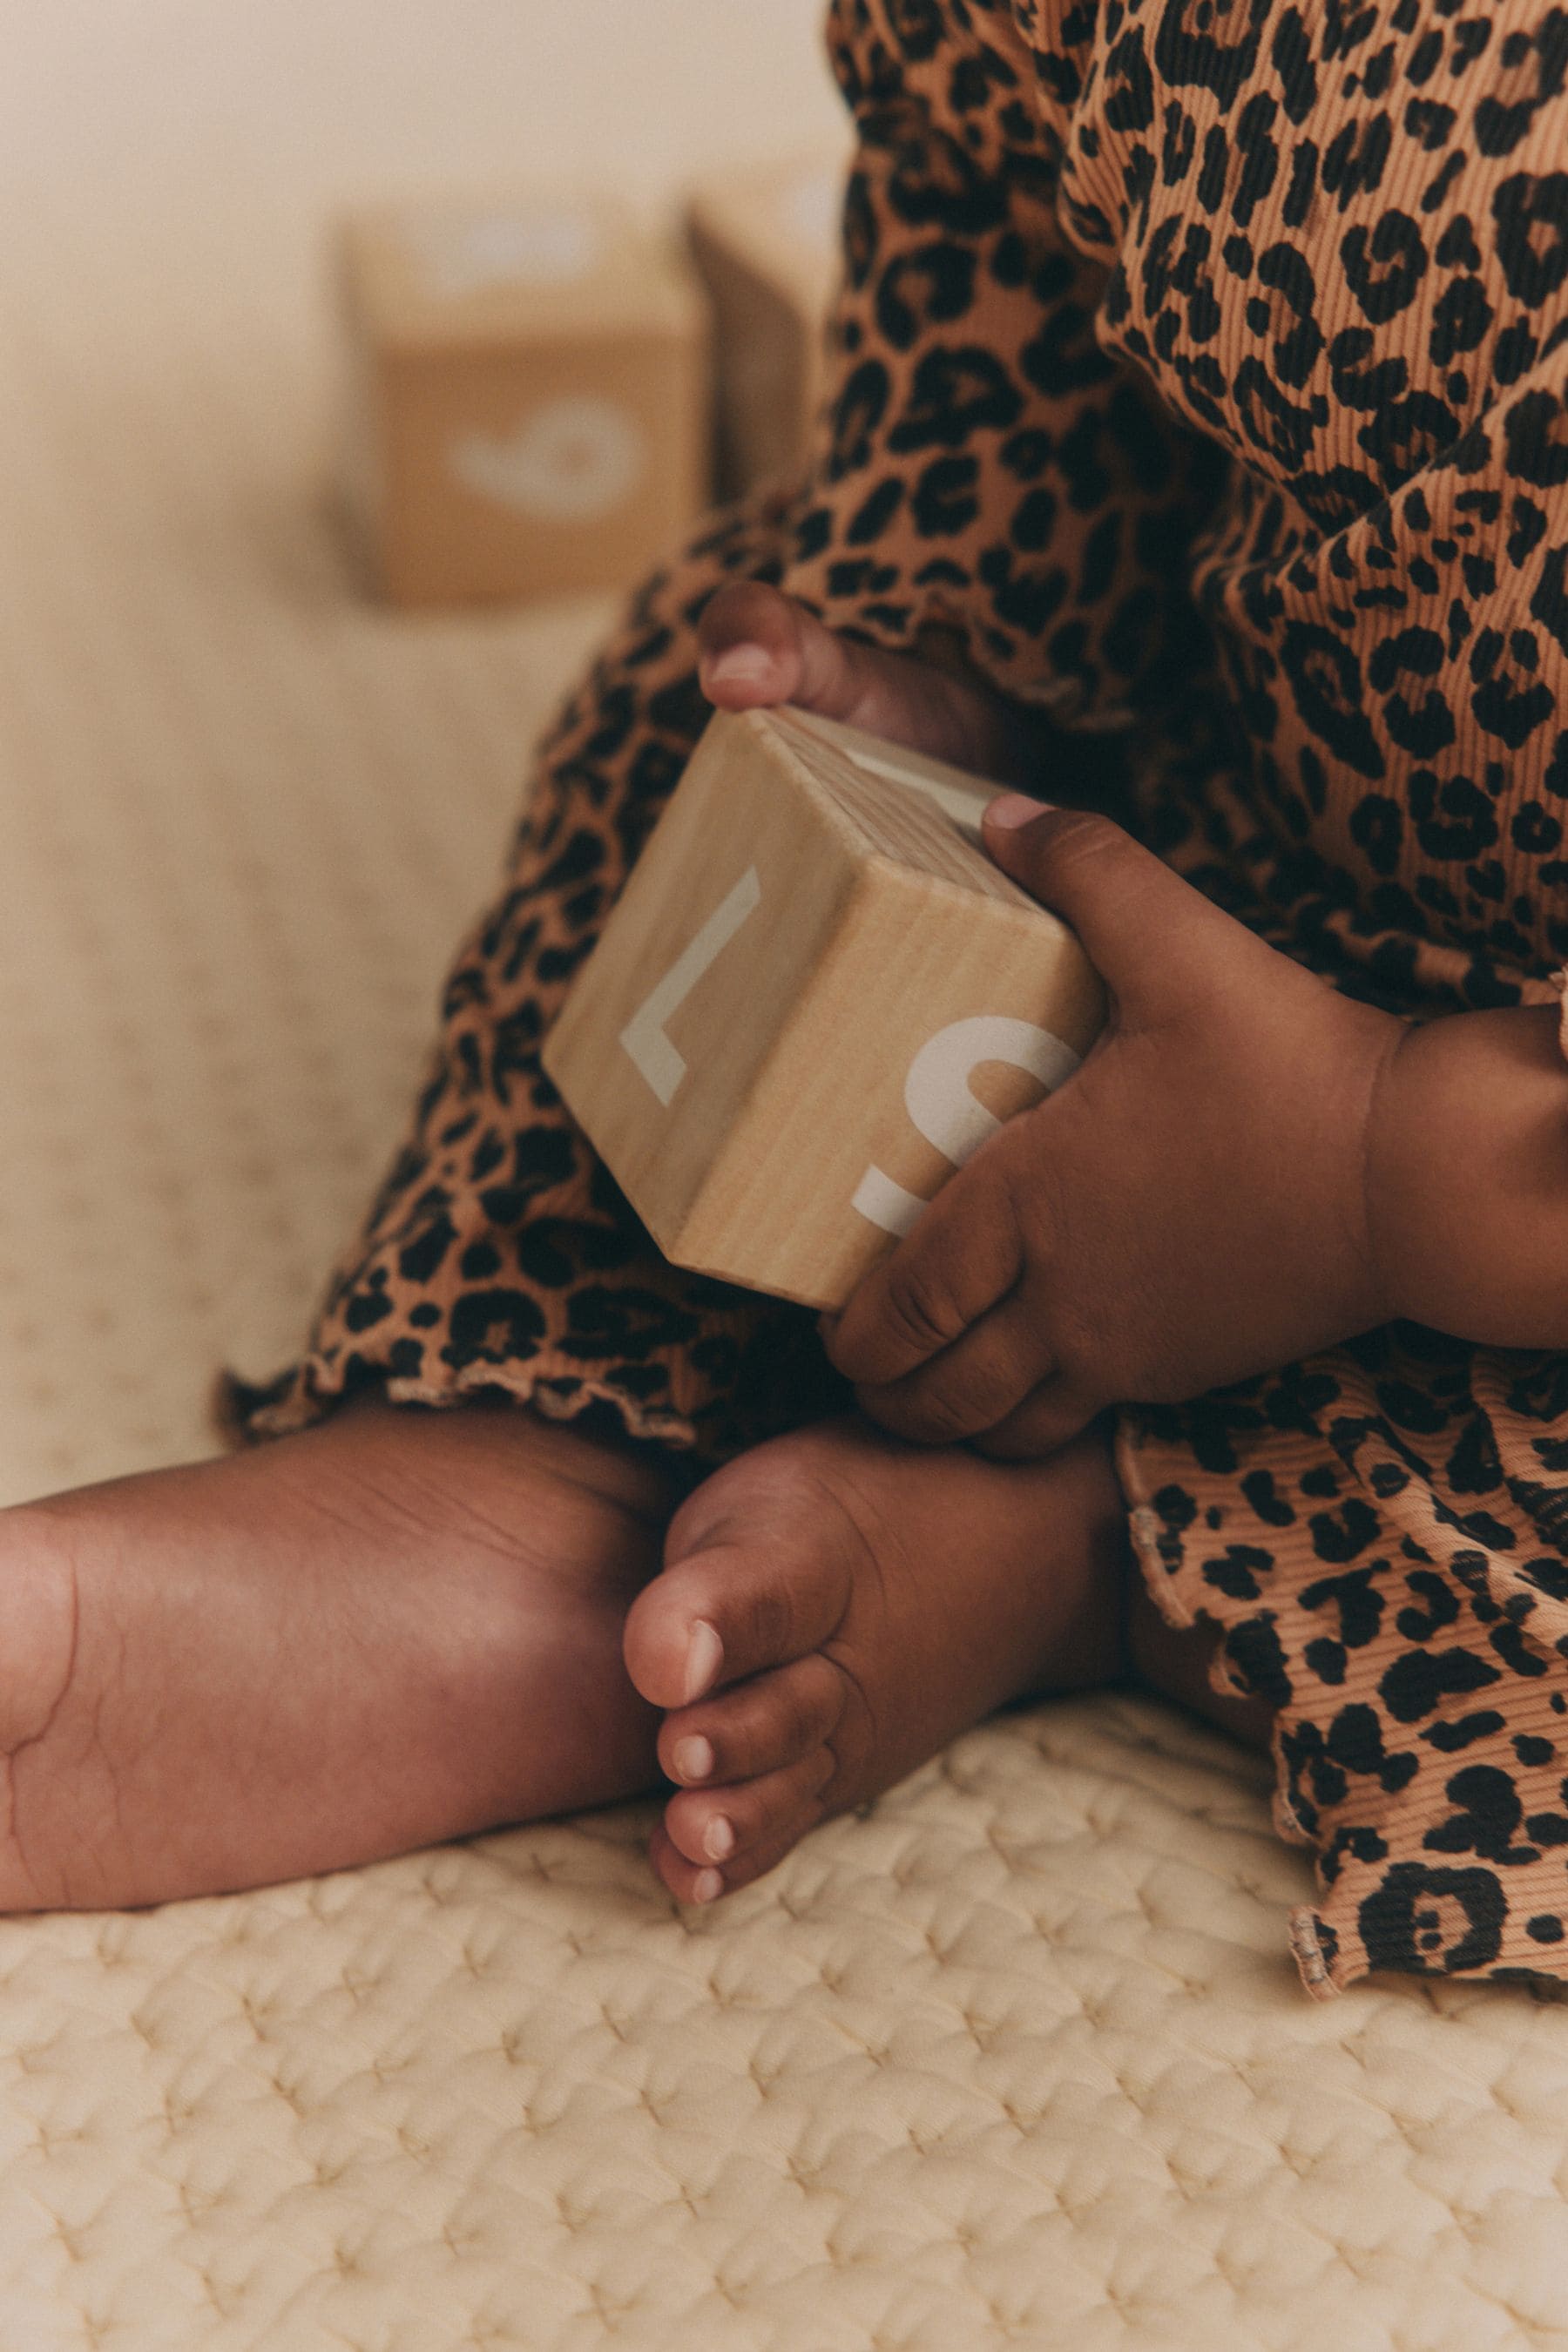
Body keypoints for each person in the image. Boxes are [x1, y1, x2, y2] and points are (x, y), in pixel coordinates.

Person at [3, 0, 1566, 1997]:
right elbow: (1006, 295)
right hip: (1230, 795)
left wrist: (1380, 1164)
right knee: (694, 796)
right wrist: (946, 675)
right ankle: (539, 1473)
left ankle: (1091, 1549)